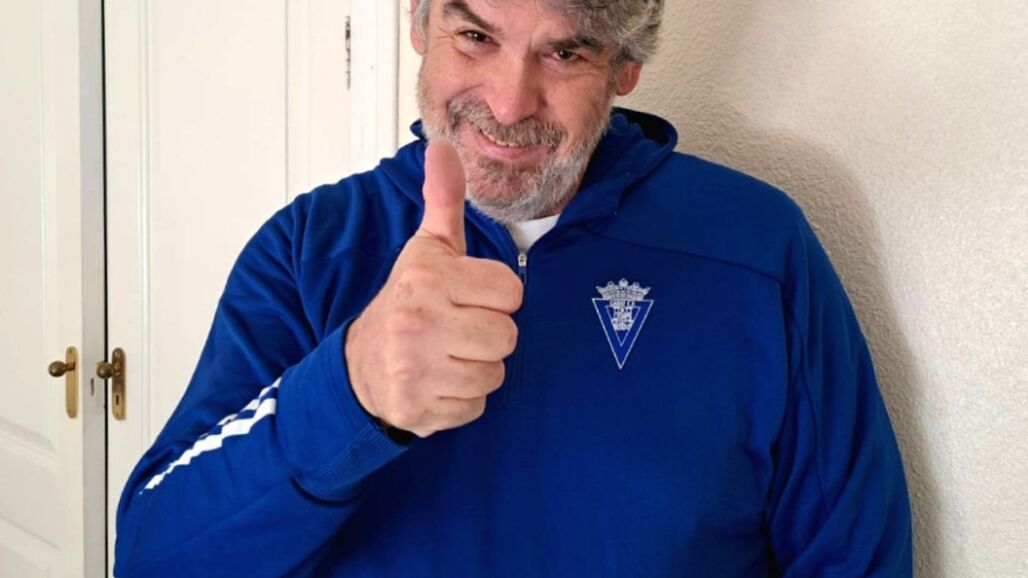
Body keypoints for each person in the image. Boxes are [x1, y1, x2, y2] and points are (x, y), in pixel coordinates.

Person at [114, 0, 913, 576]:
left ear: (626, 65)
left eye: (565, 53)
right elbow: (155, 556)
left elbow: (854, 556)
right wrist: (351, 391)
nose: (507, 102)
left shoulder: (758, 249)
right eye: (475, 35)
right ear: (420, 24)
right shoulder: (309, 251)